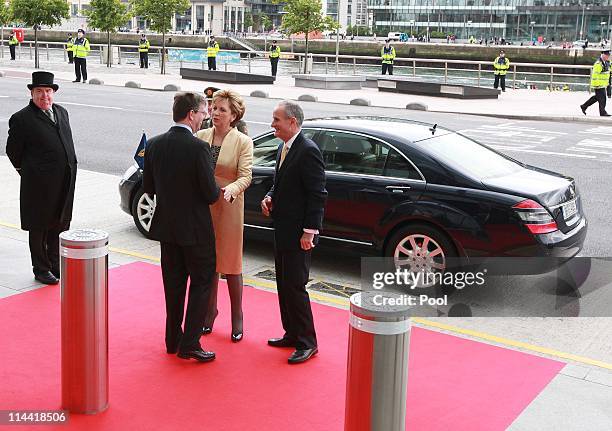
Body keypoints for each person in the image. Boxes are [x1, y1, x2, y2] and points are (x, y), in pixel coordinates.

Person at [143, 92, 220, 362]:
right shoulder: (199, 148)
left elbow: (149, 188)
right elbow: (211, 194)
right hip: (196, 231)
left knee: (173, 285)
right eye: (202, 114)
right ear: (191, 114)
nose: (204, 119)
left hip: (167, 229)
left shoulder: (153, 144)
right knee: (201, 283)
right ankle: (190, 343)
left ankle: (172, 340)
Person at [260, 101, 327, 364]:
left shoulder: (308, 151)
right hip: (282, 229)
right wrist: (269, 197)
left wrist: (309, 232)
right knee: (283, 284)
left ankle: (307, 342)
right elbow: (280, 183)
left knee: (296, 286)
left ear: (292, 122)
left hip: (300, 233)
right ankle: (291, 332)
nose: (272, 124)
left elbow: (317, 195)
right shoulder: (283, 148)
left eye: (276, 120)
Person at [6, 72, 78, 285]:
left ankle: (55, 264)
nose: (44, 96)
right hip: (38, 185)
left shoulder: (62, 112)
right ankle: (41, 268)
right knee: (38, 227)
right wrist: (30, 172)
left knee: (59, 224)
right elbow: (13, 151)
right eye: (39, 91)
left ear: (53, 92)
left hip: (64, 182)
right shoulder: (21, 119)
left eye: (48, 91)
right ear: (32, 93)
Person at [195, 90, 253, 342]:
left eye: (222, 110)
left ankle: (237, 315)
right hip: (203, 207)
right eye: (214, 108)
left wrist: (231, 189)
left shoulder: (243, 141)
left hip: (229, 205)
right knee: (208, 263)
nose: (215, 113)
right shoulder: (200, 136)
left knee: (230, 264)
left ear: (234, 115)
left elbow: (246, 175)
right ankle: (210, 312)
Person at [580, 49, 611, 117]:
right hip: (598, 84)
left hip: (603, 84)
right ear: (602, 55)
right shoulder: (598, 64)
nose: (608, 56)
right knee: (603, 98)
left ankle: (584, 106)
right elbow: (595, 75)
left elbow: (608, 73)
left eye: (608, 55)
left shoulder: (607, 63)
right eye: (607, 55)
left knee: (596, 98)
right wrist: (597, 85)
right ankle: (602, 112)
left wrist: (608, 83)